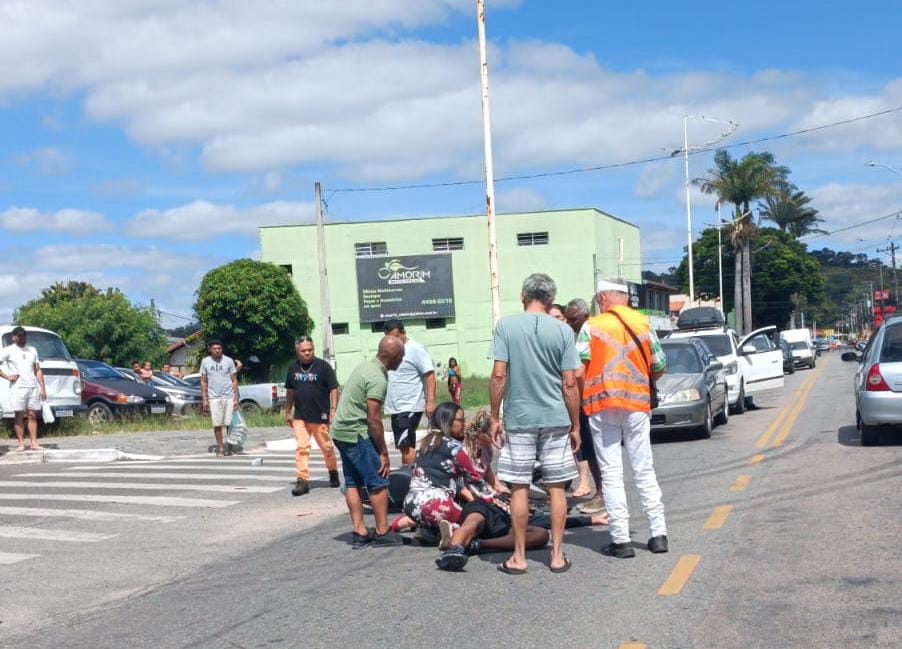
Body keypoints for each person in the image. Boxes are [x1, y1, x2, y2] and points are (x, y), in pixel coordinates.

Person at [489, 273, 582, 574]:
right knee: (557, 488)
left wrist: (494, 416)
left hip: (519, 419)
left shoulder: (505, 326)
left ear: (522, 296)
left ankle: (519, 556)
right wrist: (575, 425)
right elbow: (570, 383)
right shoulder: (563, 331)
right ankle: (556, 556)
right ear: (552, 300)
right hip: (556, 418)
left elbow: (499, 374)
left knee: (519, 488)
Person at [583, 279, 668, 559]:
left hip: (602, 403)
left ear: (606, 297)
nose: (598, 302)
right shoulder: (643, 323)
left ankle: (621, 541)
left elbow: (578, 366)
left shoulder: (592, 326)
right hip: (636, 403)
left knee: (611, 474)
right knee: (644, 469)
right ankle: (658, 535)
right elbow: (660, 364)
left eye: (599, 298)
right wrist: (640, 381)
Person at [330, 335, 407, 548]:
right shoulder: (377, 378)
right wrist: (383, 452)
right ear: (394, 356)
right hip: (356, 433)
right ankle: (383, 532)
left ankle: (360, 531)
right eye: (401, 356)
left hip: (340, 431)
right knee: (378, 480)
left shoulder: (365, 366)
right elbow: (374, 419)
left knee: (353, 481)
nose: (402, 360)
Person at [401, 402, 492, 539]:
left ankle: (409, 526)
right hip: (438, 502)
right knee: (475, 523)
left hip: (410, 502)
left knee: (432, 516)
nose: (464, 424)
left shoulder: (426, 443)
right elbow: (476, 481)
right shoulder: (456, 448)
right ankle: (452, 529)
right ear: (448, 421)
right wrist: (495, 503)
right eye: (460, 420)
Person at [284, 336, 340, 496]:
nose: (307, 353)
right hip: (300, 415)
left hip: (319, 414)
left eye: (310, 350)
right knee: (302, 448)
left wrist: (333, 409)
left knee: (326, 447)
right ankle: (302, 481)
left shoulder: (323, 367)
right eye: (303, 351)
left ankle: (333, 472)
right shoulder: (292, 368)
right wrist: (288, 411)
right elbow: (290, 391)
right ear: (297, 351)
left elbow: (334, 388)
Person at [565, 297, 606, 515]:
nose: (571, 323)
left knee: (594, 450)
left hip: (589, 401)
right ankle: (600, 493)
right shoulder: (574, 335)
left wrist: (580, 399)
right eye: (568, 319)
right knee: (588, 452)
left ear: (585, 316)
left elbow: (579, 371)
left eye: (574, 319)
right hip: (583, 402)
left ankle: (602, 494)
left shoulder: (589, 331)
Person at [384, 319, 436, 466]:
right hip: (396, 406)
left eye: (395, 337)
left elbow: (430, 374)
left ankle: (409, 479)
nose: (392, 341)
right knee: (403, 445)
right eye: (389, 338)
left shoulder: (415, 348)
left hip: (410, 405)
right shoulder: (390, 350)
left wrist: (430, 402)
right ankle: (412, 474)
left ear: (403, 333)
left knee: (406, 446)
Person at [0, 326, 46, 452]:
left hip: (32, 386)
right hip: (18, 387)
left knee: (32, 414)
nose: (22, 338)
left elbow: (37, 369)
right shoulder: (8, 350)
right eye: (19, 336)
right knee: (19, 415)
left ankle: (34, 443)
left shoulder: (32, 350)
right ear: (14, 337)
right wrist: (7, 376)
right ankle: (21, 443)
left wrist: (42, 388)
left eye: (24, 335)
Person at [199, 341, 240, 457]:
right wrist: (204, 399)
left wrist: (236, 398)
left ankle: (229, 446)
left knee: (230, 423)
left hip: (228, 396)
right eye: (214, 348)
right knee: (217, 423)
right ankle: (220, 447)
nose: (217, 350)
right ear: (210, 350)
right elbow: (203, 381)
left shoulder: (228, 361)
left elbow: (234, 380)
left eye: (219, 348)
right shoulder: (205, 362)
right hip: (214, 397)